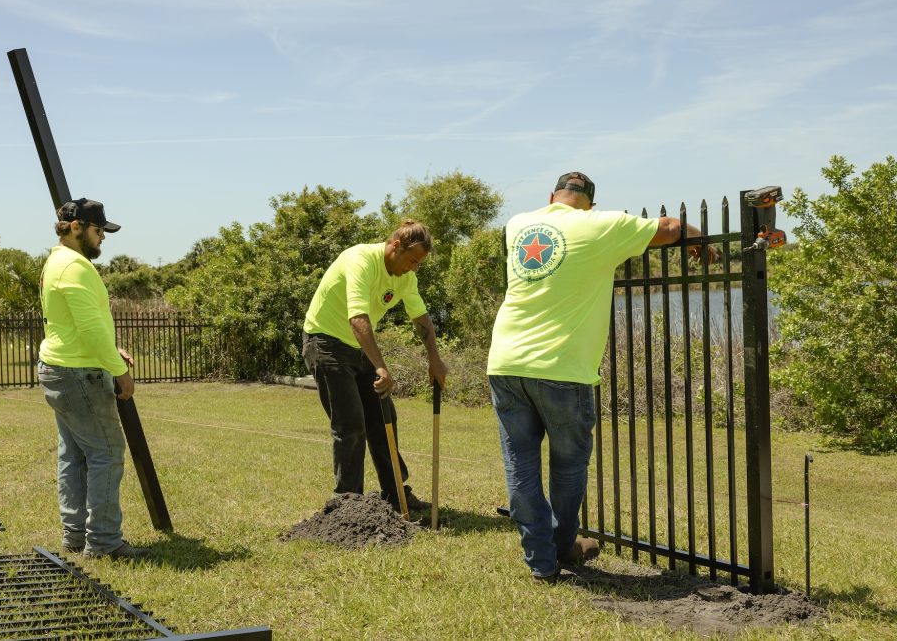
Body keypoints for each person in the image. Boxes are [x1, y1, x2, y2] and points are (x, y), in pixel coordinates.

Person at [488, 171, 717, 583]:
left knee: (520, 466)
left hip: (505, 362)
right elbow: (671, 228)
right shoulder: (600, 225)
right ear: (591, 203)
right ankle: (560, 548)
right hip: (562, 368)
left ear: (552, 197)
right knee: (569, 466)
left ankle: (541, 562)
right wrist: (700, 239)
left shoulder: (518, 225)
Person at [302, 220, 449, 512]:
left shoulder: (406, 278)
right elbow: (357, 318)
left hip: (359, 348)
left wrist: (434, 357)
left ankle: (396, 494)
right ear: (395, 245)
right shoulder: (361, 259)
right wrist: (381, 367)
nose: (413, 268)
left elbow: (420, 318)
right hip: (326, 343)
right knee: (350, 424)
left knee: (385, 419)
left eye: (419, 264)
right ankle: (348, 503)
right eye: (411, 260)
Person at [37, 198, 148, 560]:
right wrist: (121, 372)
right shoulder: (76, 267)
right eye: (99, 230)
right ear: (75, 227)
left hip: (59, 368)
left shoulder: (55, 262)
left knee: (73, 455)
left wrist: (112, 353)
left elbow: (79, 325)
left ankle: (74, 536)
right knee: (105, 453)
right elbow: (89, 329)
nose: (103, 238)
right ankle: (102, 542)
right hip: (78, 374)